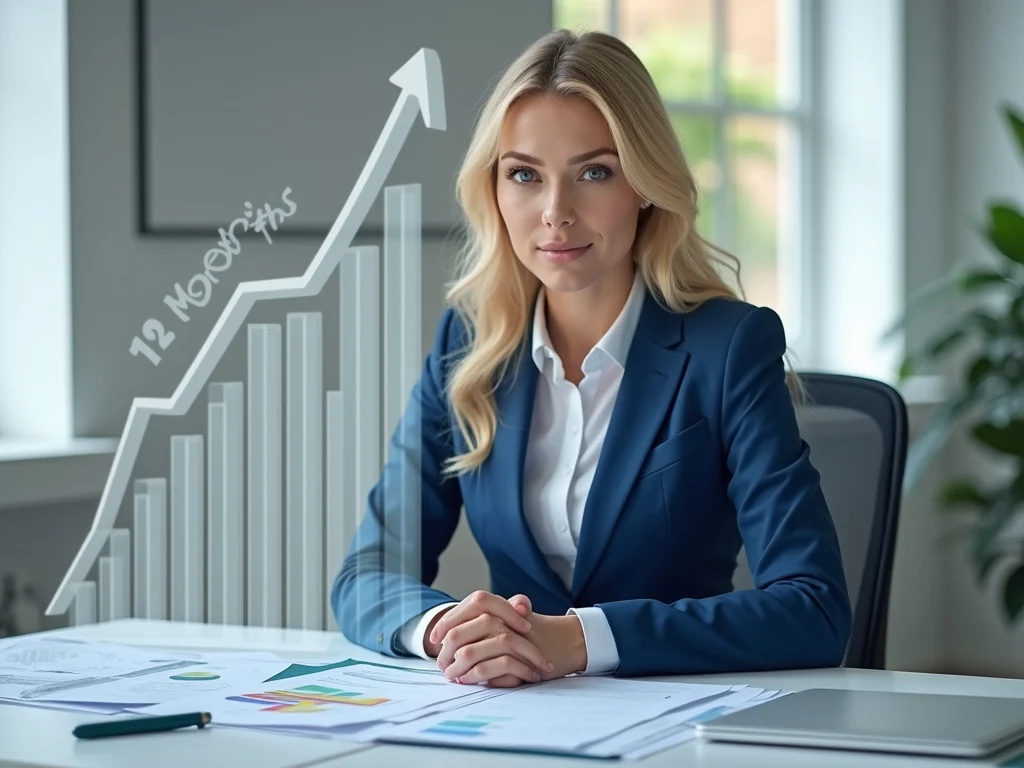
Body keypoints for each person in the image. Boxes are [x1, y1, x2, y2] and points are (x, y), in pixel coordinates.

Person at [331, 28, 851, 687]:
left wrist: (579, 639)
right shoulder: (468, 345)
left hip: (673, 720)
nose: (555, 213)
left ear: (644, 184)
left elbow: (814, 609)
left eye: (594, 172)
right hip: (512, 718)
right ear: (493, 190)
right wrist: (448, 629)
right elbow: (366, 573)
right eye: (524, 174)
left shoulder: (730, 347)